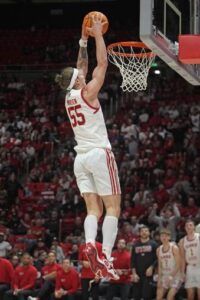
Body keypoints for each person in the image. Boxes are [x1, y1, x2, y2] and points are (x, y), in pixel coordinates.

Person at [55, 13, 121, 280]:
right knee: (113, 208)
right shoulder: (88, 92)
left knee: (94, 209)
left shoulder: (70, 97)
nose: (82, 72)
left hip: (80, 159)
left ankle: (90, 245)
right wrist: (98, 35)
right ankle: (105, 256)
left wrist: (83, 40)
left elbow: (81, 65)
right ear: (79, 79)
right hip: (98, 154)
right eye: (80, 74)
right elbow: (102, 63)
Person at [131, 225, 158, 300]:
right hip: (137, 275)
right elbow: (132, 260)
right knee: (136, 296)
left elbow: (158, 258)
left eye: (146, 231)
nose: (144, 233)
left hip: (148, 275)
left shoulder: (154, 244)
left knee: (147, 296)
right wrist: (134, 273)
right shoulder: (135, 245)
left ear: (149, 233)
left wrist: (152, 267)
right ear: (139, 233)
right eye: (142, 231)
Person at [156, 228, 182, 300]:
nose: (164, 237)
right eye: (162, 236)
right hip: (164, 275)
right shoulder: (158, 250)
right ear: (160, 237)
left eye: (166, 236)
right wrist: (159, 279)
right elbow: (160, 266)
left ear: (169, 237)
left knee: (169, 297)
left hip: (176, 276)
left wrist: (171, 277)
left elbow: (178, 264)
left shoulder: (174, 248)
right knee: (158, 296)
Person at [179, 219, 200, 300]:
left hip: (199, 266)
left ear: (194, 227)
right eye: (187, 226)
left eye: (191, 225)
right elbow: (182, 258)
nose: (189, 227)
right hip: (190, 267)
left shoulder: (199, 237)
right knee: (190, 294)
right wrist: (182, 272)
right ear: (185, 228)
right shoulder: (182, 241)